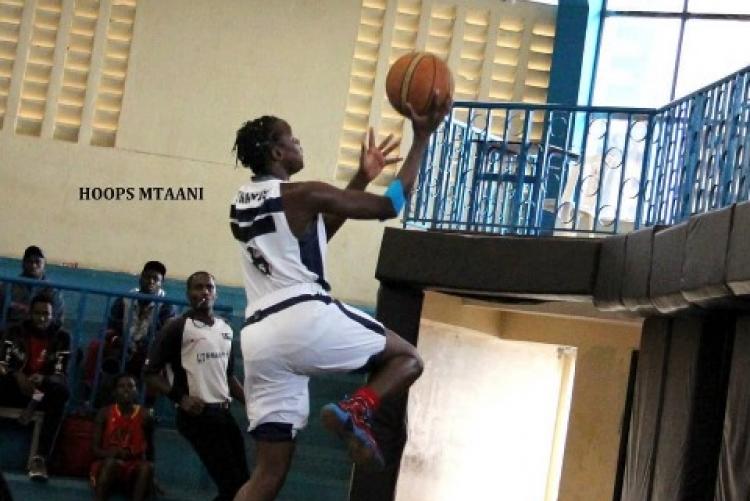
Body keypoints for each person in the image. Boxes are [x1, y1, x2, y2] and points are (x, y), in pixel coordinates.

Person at [229, 92, 450, 500]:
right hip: (302, 316)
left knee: (266, 474)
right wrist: (422, 137)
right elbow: (390, 205)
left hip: (259, 337)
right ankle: (358, 408)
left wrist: (361, 177)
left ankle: (355, 409)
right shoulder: (302, 194)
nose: (299, 144)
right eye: (292, 138)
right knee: (408, 359)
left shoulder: (242, 202)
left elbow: (314, 238)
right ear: (278, 151)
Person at [144, 271, 249, 501]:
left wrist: (251, 405)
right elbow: (150, 374)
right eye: (198, 287)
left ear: (216, 293)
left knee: (244, 485)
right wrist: (181, 398)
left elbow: (228, 377)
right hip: (197, 415)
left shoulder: (226, 329)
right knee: (231, 486)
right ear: (188, 293)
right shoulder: (177, 327)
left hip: (223, 413)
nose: (204, 292)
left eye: (209, 287)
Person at [83, 260, 177, 403]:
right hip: (122, 346)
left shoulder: (167, 306)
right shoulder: (125, 300)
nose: (151, 281)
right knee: (97, 346)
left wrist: (143, 345)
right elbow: (110, 326)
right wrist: (118, 340)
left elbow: (164, 335)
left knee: (157, 361)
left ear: (161, 283)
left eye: (156, 279)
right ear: (140, 279)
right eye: (147, 277)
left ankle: (147, 406)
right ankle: (90, 392)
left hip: (148, 351)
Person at [0, 293, 71, 481]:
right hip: (14, 388)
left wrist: (44, 380)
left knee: (61, 392)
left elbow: (60, 373)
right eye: (38, 313)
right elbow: (2, 364)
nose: (42, 318)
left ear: (53, 315)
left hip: (42, 392)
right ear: (30, 313)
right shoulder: (15, 331)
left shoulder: (62, 337)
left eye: (46, 314)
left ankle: (40, 459)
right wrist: (17, 375)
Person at [91, 373, 154, 501]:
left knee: (147, 467)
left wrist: (152, 476)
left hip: (132, 465)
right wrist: (113, 453)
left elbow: (150, 448)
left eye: (131, 386)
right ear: (114, 392)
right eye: (121, 386)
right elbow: (94, 450)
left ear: (136, 391)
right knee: (111, 464)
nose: (126, 389)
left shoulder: (145, 415)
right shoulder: (104, 413)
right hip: (107, 462)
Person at [0, 246, 64, 327]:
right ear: (23, 263)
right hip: (13, 333)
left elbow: (57, 320)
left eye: (38, 262)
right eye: (29, 261)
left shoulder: (53, 291)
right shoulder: (7, 287)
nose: (33, 265)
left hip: (41, 334)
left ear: (44, 264)